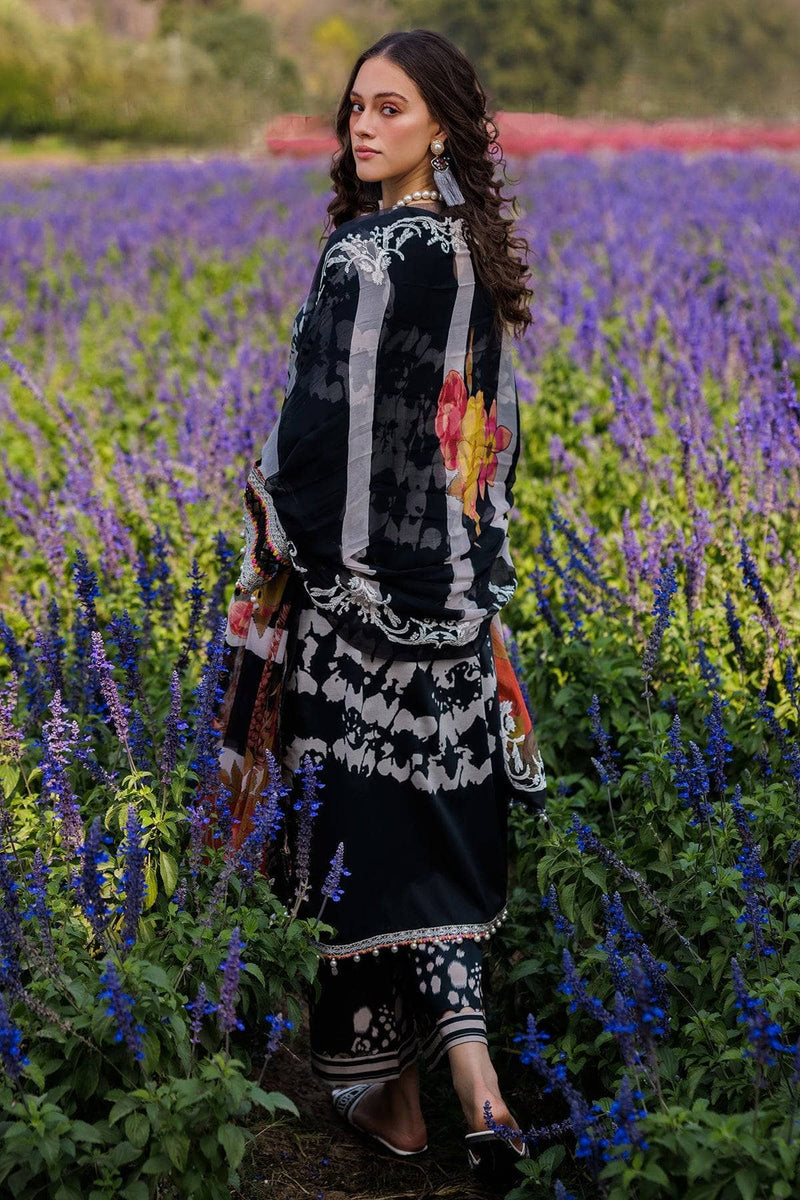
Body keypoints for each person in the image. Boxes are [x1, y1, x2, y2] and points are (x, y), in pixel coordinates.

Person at [211, 27, 548, 1186]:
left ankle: (395, 1105)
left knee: (352, 850)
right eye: (355, 106)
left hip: (351, 618)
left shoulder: (359, 253)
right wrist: (465, 571)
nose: (361, 125)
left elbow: (312, 436)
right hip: (450, 612)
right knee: (438, 847)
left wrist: (272, 529)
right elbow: (483, 441)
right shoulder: (472, 258)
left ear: (439, 126)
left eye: (389, 108)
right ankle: (482, 1094)